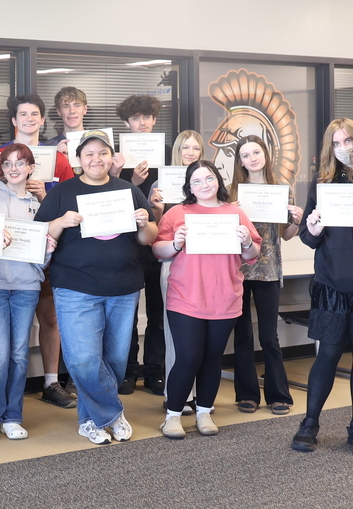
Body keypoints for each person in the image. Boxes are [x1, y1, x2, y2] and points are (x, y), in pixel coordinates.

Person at [35, 129, 157, 445]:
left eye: (102, 153)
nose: (96, 159)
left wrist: (146, 222)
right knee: (82, 360)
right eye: (89, 153)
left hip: (124, 287)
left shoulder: (128, 191)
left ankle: (91, 419)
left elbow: (149, 238)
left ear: (111, 157)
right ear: (79, 159)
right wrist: (62, 221)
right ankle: (112, 414)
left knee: (115, 360)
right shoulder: (62, 193)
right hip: (76, 287)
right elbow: (38, 234)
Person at [152, 160, 261, 439]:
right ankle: (173, 416)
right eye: (197, 181)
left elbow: (251, 255)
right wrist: (175, 243)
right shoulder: (177, 213)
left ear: (218, 181)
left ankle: (204, 411)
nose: (204, 185)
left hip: (224, 297)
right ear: (189, 187)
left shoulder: (234, 213)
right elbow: (158, 250)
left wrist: (247, 241)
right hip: (185, 297)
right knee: (189, 357)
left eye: (209, 178)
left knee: (213, 358)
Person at [0, 143, 55, 443]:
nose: (14, 169)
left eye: (20, 163)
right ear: (1, 167)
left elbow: (42, 250)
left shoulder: (39, 203)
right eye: (8, 163)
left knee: (20, 354)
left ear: (31, 168)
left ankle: (13, 416)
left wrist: (47, 252)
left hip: (27, 286)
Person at [6, 93, 76, 409]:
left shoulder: (58, 159)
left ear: (43, 120)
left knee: (50, 317)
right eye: (23, 114)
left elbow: (72, 202)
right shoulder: (2, 156)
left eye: (35, 114)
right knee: (9, 323)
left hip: (49, 250)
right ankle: (6, 387)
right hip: (12, 252)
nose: (29, 119)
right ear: (14, 120)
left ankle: (50, 382)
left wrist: (47, 194)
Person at [291, 119, 353, 452]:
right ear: (330, 149)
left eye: (350, 140)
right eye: (338, 143)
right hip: (333, 283)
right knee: (328, 354)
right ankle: (310, 423)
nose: (346, 147)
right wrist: (312, 229)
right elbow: (307, 237)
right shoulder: (323, 184)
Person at [228, 135, 301, 416]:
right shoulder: (232, 191)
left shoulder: (281, 190)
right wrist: (228, 213)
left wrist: (296, 220)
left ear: (266, 154)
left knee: (269, 336)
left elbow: (287, 234)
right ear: (240, 161)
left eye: (256, 152)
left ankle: (278, 394)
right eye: (245, 155)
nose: (252, 159)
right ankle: (247, 394)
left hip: (269, 270)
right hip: (238, 270)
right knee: (243, 333)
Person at [110, 94, 168, 396]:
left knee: (158, 311)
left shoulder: (168, 153)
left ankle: (155, 370)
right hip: (129, 244)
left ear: (155, 119)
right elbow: (108, 203)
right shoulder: (116, 158)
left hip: (161, 241)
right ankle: (128, 370)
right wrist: (130, 180)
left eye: (147, 117)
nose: (142, 123)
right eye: (136, 118)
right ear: (126, 123)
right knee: (127, 313)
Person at [149, 129, 205, 411]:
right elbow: (155, 233)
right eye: (186, 148)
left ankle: (198, 396)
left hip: (205, 267)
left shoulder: (208, 183)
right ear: (177, 152)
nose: (191, 153)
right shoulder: (163, 183)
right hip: (174, 265)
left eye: (196, 149)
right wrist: (156, 209)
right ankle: (176, 396)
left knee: (201, 334)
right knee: (175, 333)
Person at [45, 86, 88, 155]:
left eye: (77, 105)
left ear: (85, 109)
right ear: (59, 111)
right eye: (66, 106)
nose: (72, 111)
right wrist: (55, 156)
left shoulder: (98, 143)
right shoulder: (48, 148)